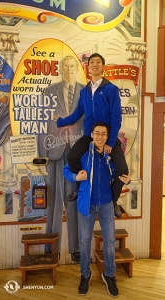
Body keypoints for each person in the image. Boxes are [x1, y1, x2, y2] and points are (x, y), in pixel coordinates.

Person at [53, 53, 128, 218]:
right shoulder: (85, 92)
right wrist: (61, 122)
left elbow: (116, 118)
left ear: (103, 67)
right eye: (91, 62)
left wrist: (109, 142)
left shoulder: (111, 89)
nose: (94, 64)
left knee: (123, 170)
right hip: (89, 135)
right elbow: (78, 113)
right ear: (88, 68)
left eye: (98, 62)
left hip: (107, 136)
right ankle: (80, 188)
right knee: (72, 157)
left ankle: (113, 201)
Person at [63, 122, 131, 296]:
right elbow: (66, 170)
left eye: (104, 134)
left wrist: (127, 180)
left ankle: (109, 275)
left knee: (109, 242)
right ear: (91, 135)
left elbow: (120, 175)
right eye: (97, 133)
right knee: (84, 241)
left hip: (107, 203)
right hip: (87, 204)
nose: (100, 137)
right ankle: (85, 275)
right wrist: (75, 176)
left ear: (107, 137)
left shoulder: (111, 155)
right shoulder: (83, 153)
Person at [38, 55, 85, 262]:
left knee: (74, 200)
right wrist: (41, 158)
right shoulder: (49, 92)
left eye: (72, 65)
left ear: (77, 68)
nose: (68, 68)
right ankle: (52, 249)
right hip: (55, 151)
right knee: (54, 200)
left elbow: (89, 121)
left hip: (77, 153)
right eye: (64, 65)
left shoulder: (85, 92)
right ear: (60, 69)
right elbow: (41, 126)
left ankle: (75, 249)